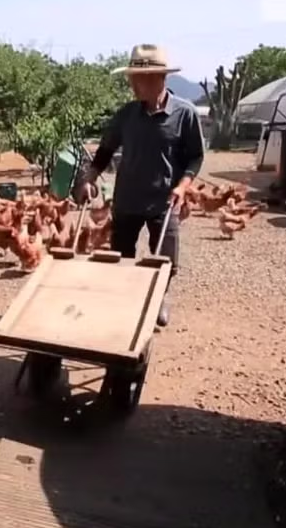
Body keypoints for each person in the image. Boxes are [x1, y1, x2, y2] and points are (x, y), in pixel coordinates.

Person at [73, 44, 204, 327]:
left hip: (164, 201)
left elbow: (195, 157)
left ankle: (159, 298)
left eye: (138, 79)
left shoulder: (185, 114)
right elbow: (105, 151)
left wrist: (183, 185)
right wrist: (89, 178)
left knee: (166, 260)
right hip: (128, 200)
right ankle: (125, 301)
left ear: (160, 79)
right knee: (122, 258)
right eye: (131, 78)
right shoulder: (126, 115)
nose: (132, 84)